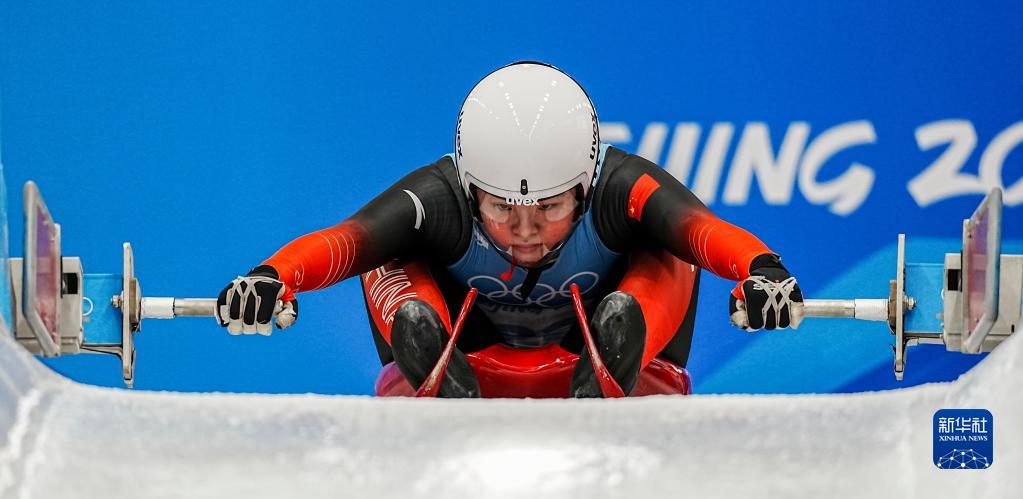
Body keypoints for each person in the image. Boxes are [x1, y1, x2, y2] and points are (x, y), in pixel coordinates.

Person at [215, 61, 804, 398]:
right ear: (470, 189)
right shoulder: (437, 197)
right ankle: (433, 362)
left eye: (549, 206)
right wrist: (270, 279)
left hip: (613, 367)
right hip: (467, 364)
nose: (525, 230)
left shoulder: (624, 186)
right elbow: (346, 242)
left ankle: (616, 357)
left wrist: (764, 274)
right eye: (499, 207)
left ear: (586, 184)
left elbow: (703, 231)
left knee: (668, 246)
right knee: (386, 253)